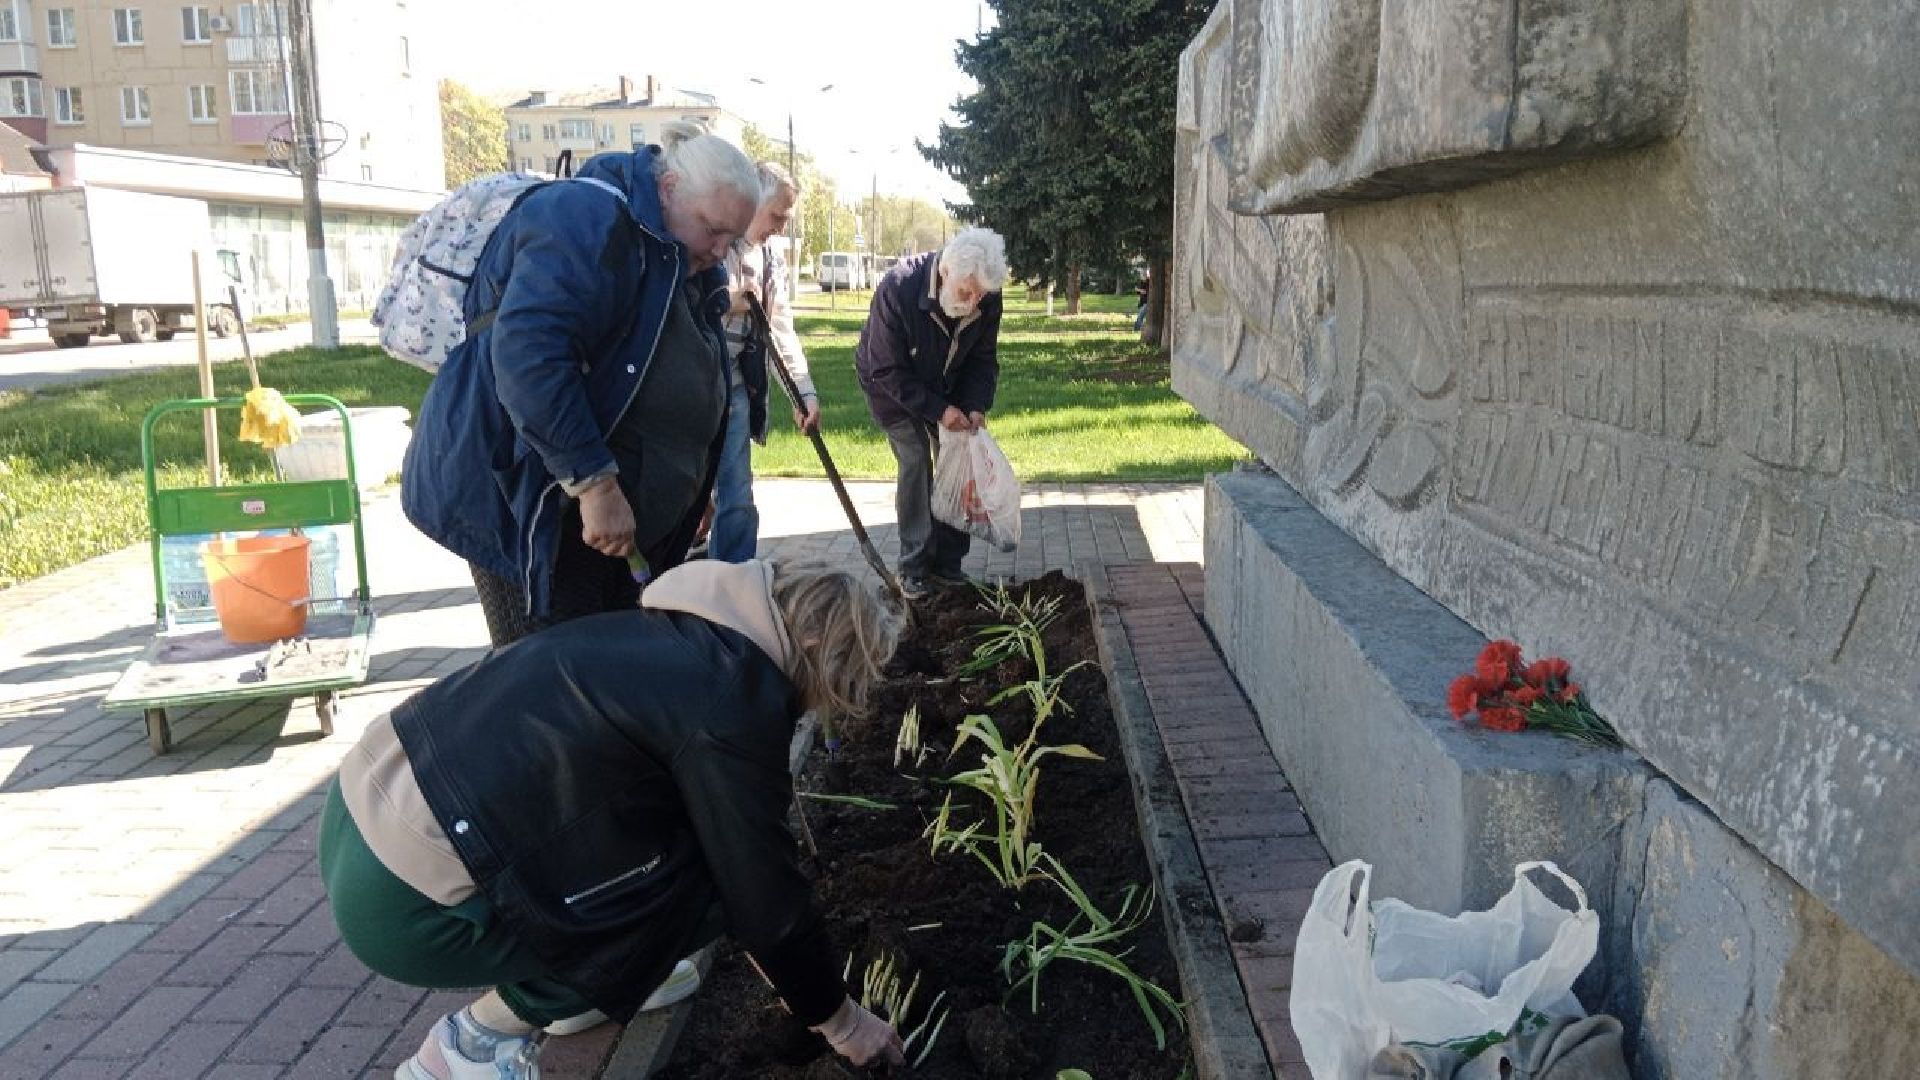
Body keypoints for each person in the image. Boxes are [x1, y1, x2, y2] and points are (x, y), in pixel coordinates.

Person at [320, 559, 908, 1080]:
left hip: (358, 809)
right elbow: (765, 902)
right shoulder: (731, 702)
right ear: (813, 645)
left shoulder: (675, 628)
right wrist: (843, 1023)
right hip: (403, 907)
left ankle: (585, 996)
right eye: (840, 680)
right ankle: (475, 1041)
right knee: (706, 890)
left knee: (678, 849)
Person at [400, 121, 760, 648]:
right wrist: (595, 485)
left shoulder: (681, 256)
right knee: (550, 678)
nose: (721, 250)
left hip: (607, 526)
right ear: (667, 191)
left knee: (598, 672)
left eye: (734, 237)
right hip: (534, 503)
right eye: (713, 228)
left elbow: (678, 378)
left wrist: (690, 485)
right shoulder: (585, 219)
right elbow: (531, 357)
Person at [853, 227, 1008, 599]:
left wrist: (973, 406)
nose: (972, 303)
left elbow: (982, 361)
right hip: (890, 387)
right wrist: (939, 410)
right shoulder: (899, 287)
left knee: (959, 460)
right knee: (916, 459)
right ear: (944, 272)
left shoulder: (987, 295)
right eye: (965, 292)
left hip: (948, 386)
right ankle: (914, 567)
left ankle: (948, 565)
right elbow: (886, 368)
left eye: (980, 296)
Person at [711, 161, 821, 563]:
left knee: (737, 496)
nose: (781, 226)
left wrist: (803, 394)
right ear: (751, 199)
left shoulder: (771, 258)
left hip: (735, 387)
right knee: (683, 498)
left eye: (787, 218)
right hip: (690, 388)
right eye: (777, 215)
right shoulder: (712, 237)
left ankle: (734, 587)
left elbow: (780, 329)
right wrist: (728, 300)